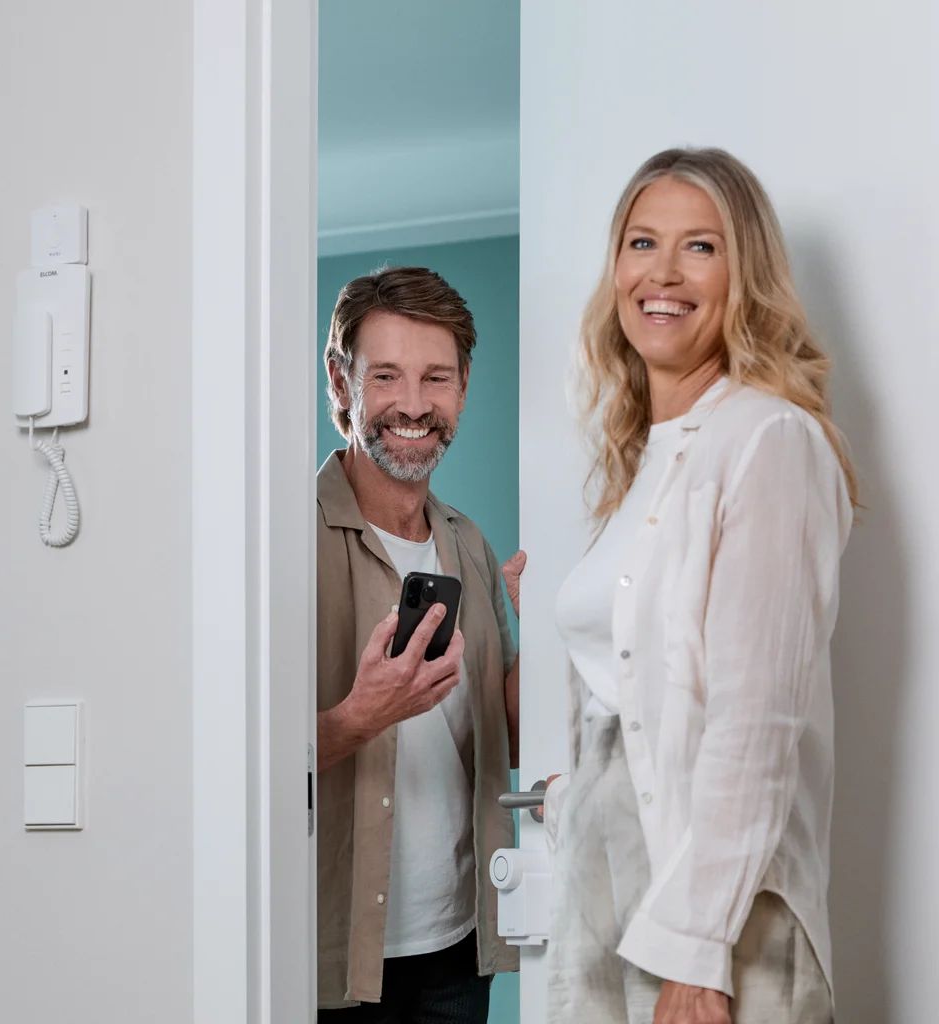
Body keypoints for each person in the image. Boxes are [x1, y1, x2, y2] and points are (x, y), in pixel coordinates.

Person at [505, 148, 856, 1023]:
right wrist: (571, 798)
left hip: (713, 916)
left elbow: (756, 721)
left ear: (747, 274)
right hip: (607, 891)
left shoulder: (768, 441)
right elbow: (634, 699)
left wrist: (698, 958)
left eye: (700, 246)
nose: (661, 273)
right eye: (640, 241)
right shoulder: (638, 465)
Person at [316, 266, 520, 1022]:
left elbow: (513, 736)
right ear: (341, 384)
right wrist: (359, 716)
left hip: (460, 950)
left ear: (463, 389)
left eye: (436, 377)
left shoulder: (468, 544)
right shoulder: (283, 541)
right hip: (330, 962)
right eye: (387, 376)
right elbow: (235, 767)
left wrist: (554, 639)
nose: (412, 405)